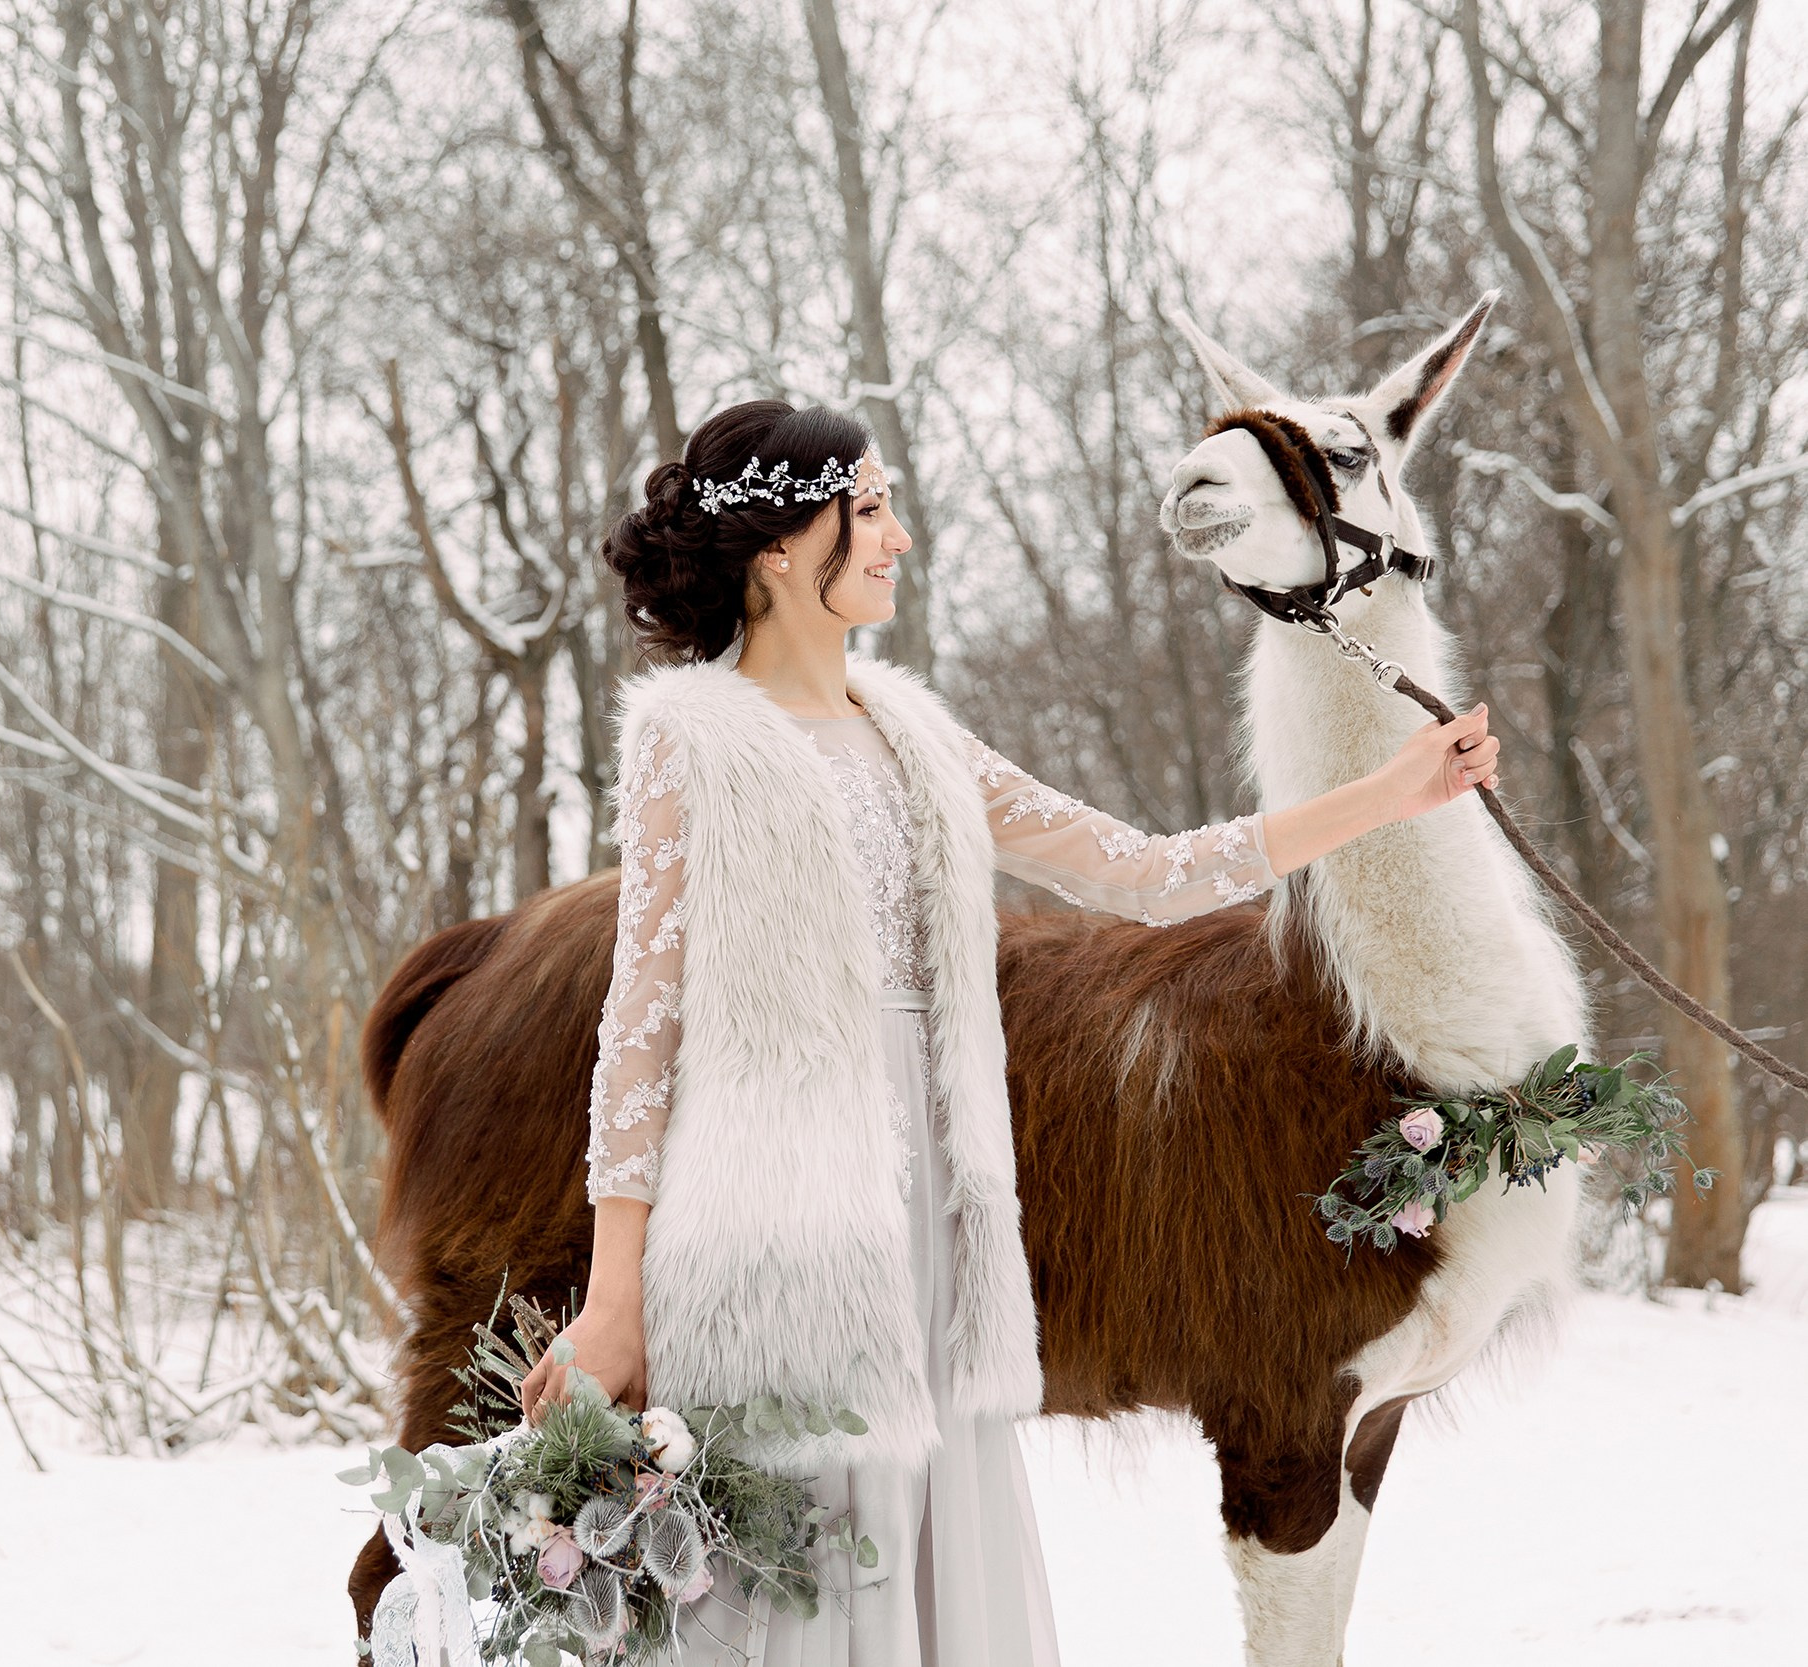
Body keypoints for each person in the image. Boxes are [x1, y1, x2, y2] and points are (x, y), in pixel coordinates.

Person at [513, 400, 1499, 1666]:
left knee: (938, 1570)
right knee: (798, 1579)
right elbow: (638, 1034)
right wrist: (613, 1297)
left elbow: (1142, 869)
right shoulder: (688, 745)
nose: (898, 537)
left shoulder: (915, 734)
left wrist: (1390, 793)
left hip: (933, 1219)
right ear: (774, 545)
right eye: (867, 509)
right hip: (773, 1233)